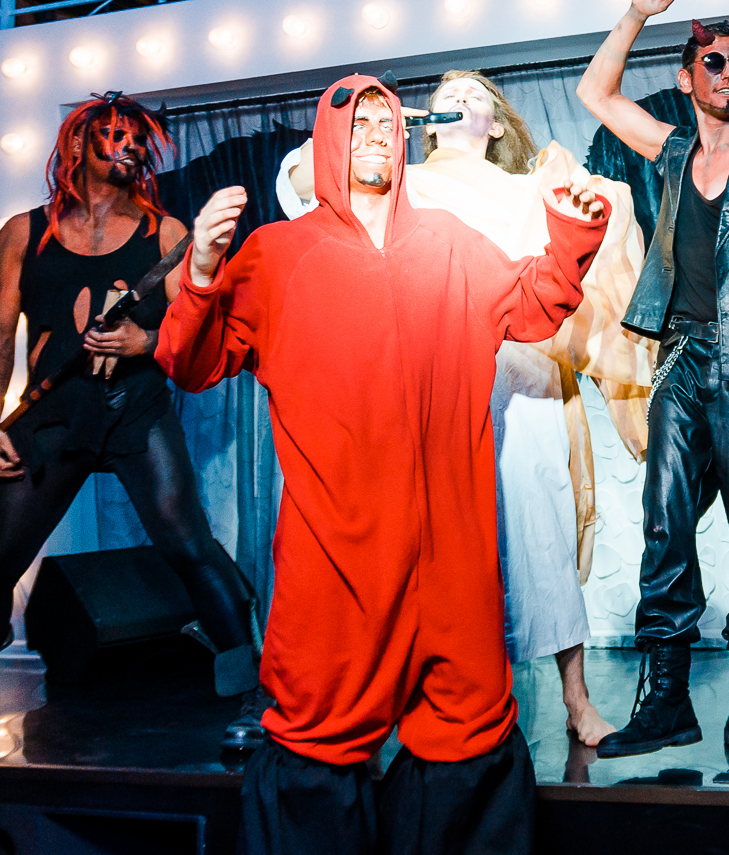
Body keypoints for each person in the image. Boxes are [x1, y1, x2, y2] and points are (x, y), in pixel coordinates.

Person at [159, 75, 610, 852]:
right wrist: (200, 272)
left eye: (386, 122)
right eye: (358, 121)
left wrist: (569, 238)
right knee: (316, 738)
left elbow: (532, 304)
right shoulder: (277, 255)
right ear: (329, 139)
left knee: (469, 729)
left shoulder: (448, 241)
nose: (373, 134)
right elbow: (190, 362)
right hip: (337, 556)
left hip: (451, 556)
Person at [278, 70, 654, 747]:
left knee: (542, 531)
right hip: (430, 379)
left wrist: (582, 203)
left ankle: (576, 699)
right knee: (430, 539)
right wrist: (382, 128)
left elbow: (583, 247)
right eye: (444, 96)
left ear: (498, 123)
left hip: (523, 374)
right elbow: (305, 182)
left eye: (475, 95)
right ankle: (425, 701)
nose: (457, 99)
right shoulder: (401, 187)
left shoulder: (529, 187)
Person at [0, 93, 261, 753]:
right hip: (51, 420)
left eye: (137, 137)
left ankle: (253, 691)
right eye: (112, 134)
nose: (129, 145)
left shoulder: (166, 235)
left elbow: (198, 335)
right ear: (78, 146)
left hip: (135, 413)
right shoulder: (24, 234)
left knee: (187, 546)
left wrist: (145, 343)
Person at [576, 0, 729, 762]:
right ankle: (667, 702)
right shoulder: (672, 149)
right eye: (713, 62)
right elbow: (596, 92)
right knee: (666, 523)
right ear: (688, 80)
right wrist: (637, 13)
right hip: (681, 357)